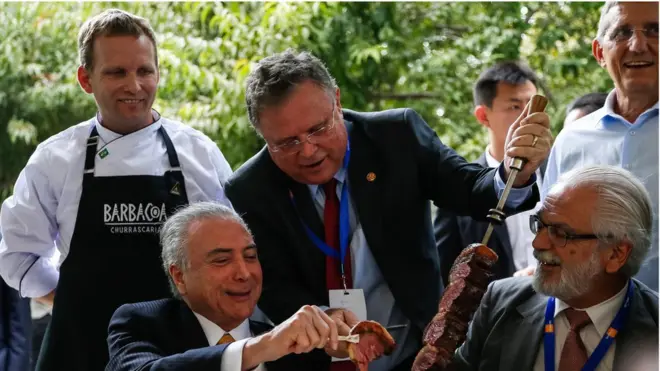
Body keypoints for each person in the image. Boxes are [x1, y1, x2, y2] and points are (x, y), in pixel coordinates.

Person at [225, 49, 553, 371]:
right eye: (287, 143)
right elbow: (268, 284)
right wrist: (323, 318)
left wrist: (514, 172)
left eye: (318, 129)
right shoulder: (250, 189)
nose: (308, 150)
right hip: (313, 359)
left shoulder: (396, 135)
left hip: (416, 354)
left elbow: (470, 189)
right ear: (264, 137)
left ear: (337, 101)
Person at [0, 9, 233, 371]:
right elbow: (17, 254)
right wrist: (72, 302)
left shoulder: (197, 153)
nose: (134, 85)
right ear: (85, 78)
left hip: (175, 350)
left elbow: (233, 253)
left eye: (144, 71)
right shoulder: (55, 158)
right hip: (80, 348)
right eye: (116, 72)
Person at [453, 165, 658, 371]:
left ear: (616, 254)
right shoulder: (500, 303)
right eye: (540, 225)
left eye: (561, 233)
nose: (538, 243)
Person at [107, 202, 345, 371]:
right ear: (179, 277)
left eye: (251, 256)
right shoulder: (141, 323)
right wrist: (259, 348)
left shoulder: (299, 350)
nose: (243, 273)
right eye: (222, 260)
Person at [542, 1, 659, 291]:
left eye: (655, 30)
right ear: (599, 52)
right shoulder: (571, 140)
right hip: (585, 327)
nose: (638, 44)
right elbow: (549, 237)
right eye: (622, 32)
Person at [434, 61, 545, 286]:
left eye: (533, 106)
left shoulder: (560, 172)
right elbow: (443, 273)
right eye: (515, 107)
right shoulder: (460, 188)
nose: (528, 117)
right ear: (483, 116)